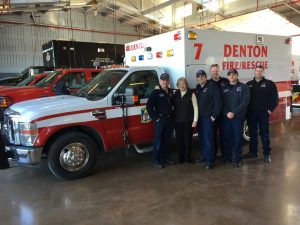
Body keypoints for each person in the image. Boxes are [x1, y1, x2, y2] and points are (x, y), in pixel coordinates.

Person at [244, 65, 279, 163]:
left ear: (263, 73)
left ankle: (267, 154)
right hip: (251, 113)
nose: (258, 73)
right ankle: (253, 152)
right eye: (257, 71)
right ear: (254, 72)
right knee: (252, 134)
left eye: (260, 71)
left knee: (264, 134)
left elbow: (274, 99)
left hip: (263, 113)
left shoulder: (269, 84)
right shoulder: (248, 84)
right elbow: (245, 99)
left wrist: (269, 110)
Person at [221, 69, 250, 167]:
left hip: (238, 118)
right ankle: (227, 157)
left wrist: (233, 112)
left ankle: (238, 159)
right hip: (226, 117)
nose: (231, 76)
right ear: (228, 77)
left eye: (233, 75)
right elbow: (221, 103)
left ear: (237, 76)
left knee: (237, 139)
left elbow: (244, 103)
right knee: (226, 138)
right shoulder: (224, 88)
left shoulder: (243, 87)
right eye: (229, 75)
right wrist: (226, 113)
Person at [146, 73, 174, 169]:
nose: (165, 82)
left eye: (166, 80)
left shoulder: (171, 92)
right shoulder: (155, 92)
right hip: (160, 120)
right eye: (163, 80)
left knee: (167, 141)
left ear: (168, 81)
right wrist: (156, 118)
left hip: (169, 120)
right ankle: (156, 160)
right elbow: (149, 107)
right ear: (160, 81)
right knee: (158, 141)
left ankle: (166, 158)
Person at [195, 70, 222, 169]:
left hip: (208, 118)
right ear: (197, 78)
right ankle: (204, 156)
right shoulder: (198, 88)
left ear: (206, 77)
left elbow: (218, 101)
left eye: (202, 76)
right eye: (199, 76)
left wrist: (214, 116)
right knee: (202, 138)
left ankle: (210, 160)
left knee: (209, 139)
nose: (201, 78)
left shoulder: (212, 86)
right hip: (200, 118)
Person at [174, 77, 198, 164]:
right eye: (180, 84)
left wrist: (195, 120)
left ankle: (188, 159)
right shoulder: (175, 93)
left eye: (183, 83)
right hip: (178, 122)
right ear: (177, 85)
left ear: (186, 84)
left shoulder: (191, 94)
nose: (181, 85)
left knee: (188, 141)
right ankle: (180, 158)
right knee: (179, 141)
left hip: (188, 122)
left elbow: (195, 108)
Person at [209, 64, 229, 158]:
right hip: (213, 114)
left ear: (219, 71)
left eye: (216, 70)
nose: (215, 72)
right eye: (213, 71)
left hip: (224, 113)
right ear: (210, 72)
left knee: (224, 135)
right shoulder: (208, 83)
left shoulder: (226, 81)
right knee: (212, 135)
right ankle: (213, 154)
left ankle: (226, 155)